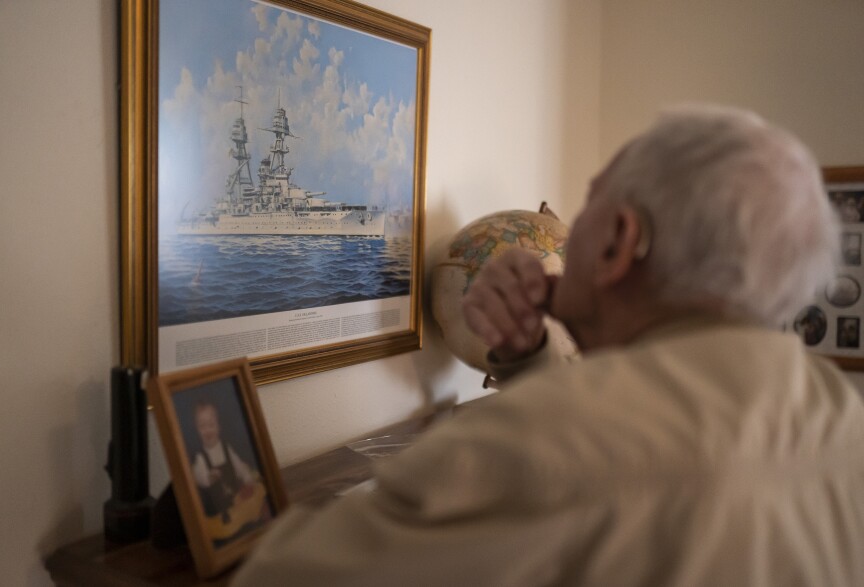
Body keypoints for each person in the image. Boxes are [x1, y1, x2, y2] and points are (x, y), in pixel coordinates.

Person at [231, 105, 864, 586]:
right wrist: (530, 358)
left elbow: (279, 577)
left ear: (618, 242)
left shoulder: (543, 447)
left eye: (586, 207)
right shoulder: (843, 418)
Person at [191, 400, 254, 522]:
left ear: (218, 426)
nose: (207, 430)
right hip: (218, 511)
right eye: (202, 426)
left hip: (236, 503)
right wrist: (208, 478)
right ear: (197, 430)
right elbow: (198, 477)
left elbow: (239, 467)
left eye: (211, 424)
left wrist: (247, 478)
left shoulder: (226, 448)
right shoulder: (200, 457)